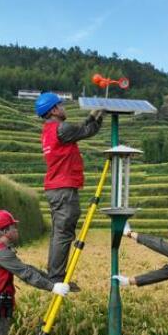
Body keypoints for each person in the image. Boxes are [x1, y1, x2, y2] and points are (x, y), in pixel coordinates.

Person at [35, 92, 104, 287]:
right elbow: (87, 130)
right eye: (61, 105)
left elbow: (81, 129)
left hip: (56, 188)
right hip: (63, 188)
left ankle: (55, 274)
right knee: (64, 233)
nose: (64, 108)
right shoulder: (62, 129)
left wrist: (93, 116)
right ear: (54, 110)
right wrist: (100, 114)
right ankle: (56, 277)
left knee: (59, 233)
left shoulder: (49, 130)